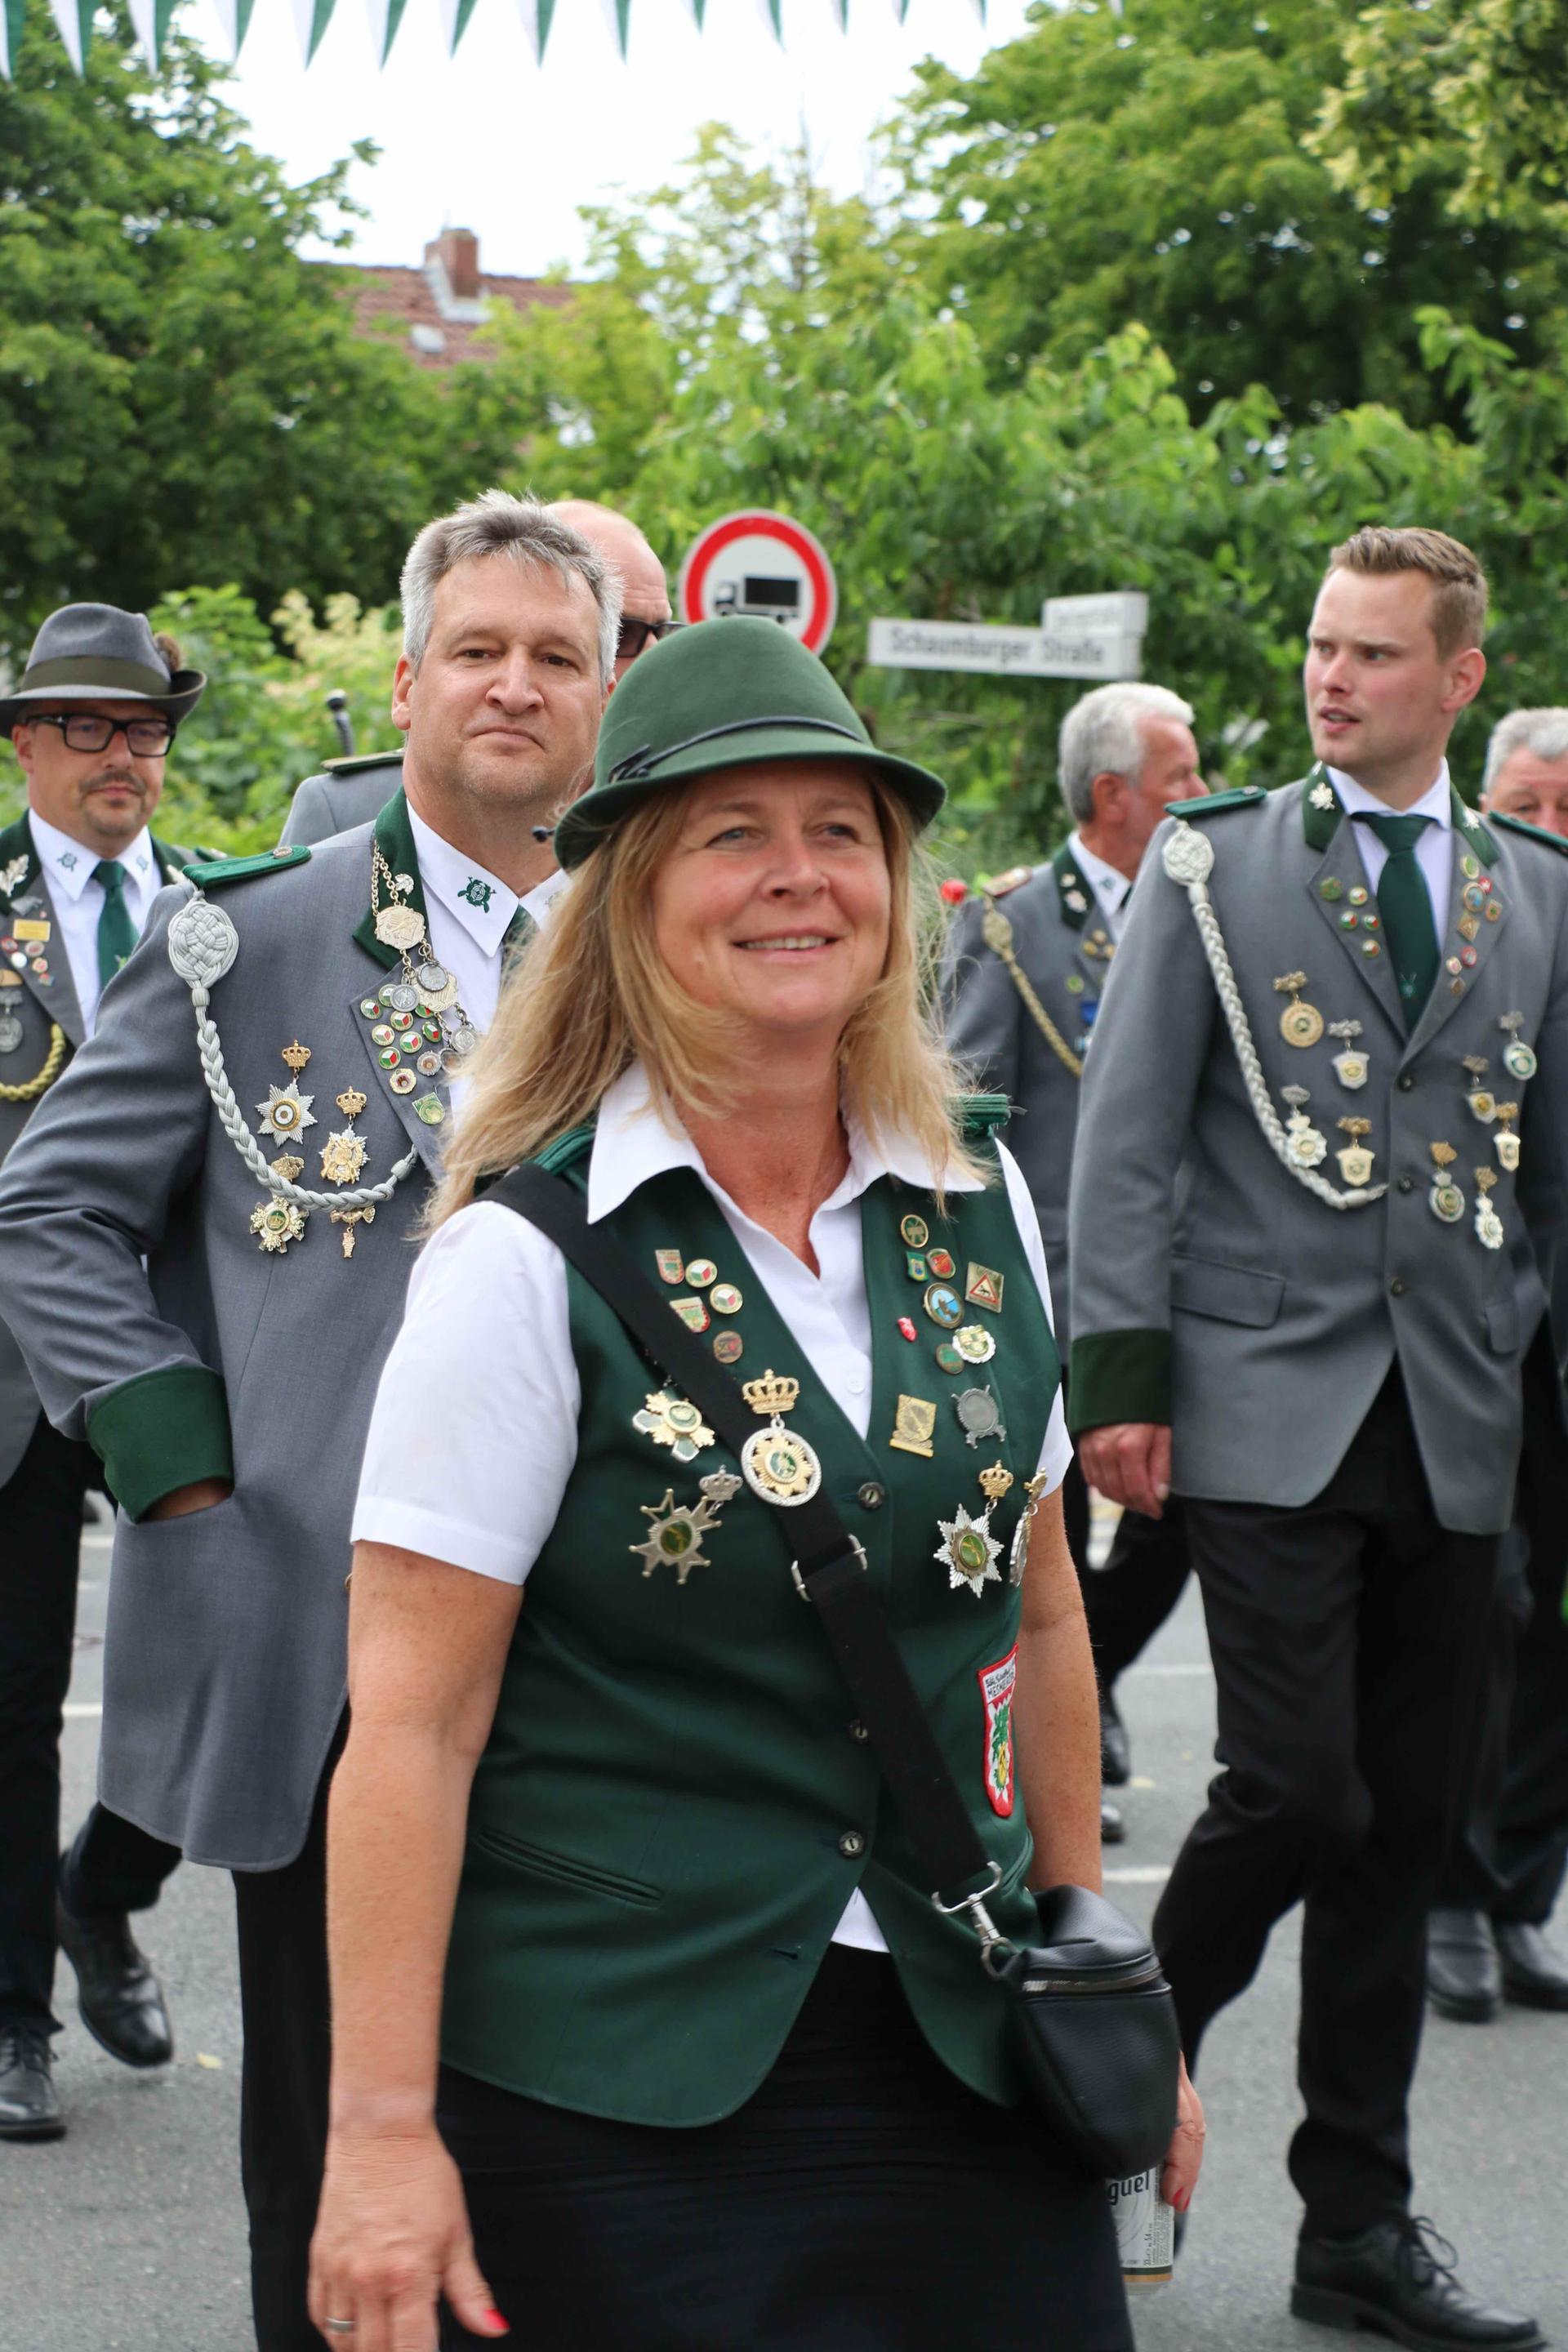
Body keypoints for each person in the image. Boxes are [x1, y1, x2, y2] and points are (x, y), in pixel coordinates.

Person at [308, 618, 1204, 2352]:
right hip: (616, 2082)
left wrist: (1110, 1965)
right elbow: (411, 1728)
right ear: (634, 896)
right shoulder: (521, 1260)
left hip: (972, 2046)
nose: (798, 879)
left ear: (894, 885)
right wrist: (379, 2133)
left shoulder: (978, 1201)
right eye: (735, 835)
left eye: (840, 834)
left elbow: (1039, 1603)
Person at [0, 497, 618, 2349]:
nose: (515, 683)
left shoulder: (653, 949)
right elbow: (50, 1211)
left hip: (619, 1626)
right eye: (481, 649)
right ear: (410, 679)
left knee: (583, 2151)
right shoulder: (246, 942)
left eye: (557, 654)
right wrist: (184, 1463)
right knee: (336, 2173)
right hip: (337, 1633)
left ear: (604, 695)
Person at [1069, 527, 1563, 2349]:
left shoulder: (1540, 891)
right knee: (1299, 1787)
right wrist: (1115, 1379)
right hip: (1261, 1402)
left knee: (1404, 1828)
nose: (1331, 677)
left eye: (1372, 653)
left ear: (1457, 679)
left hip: (1457, 1414)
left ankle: (1355, 2221)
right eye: (1318, 645)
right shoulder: (1210, 865)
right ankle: (1101, 2097)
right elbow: (1124, 1140)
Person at [0, 604, 212, 2142]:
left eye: (140, 729)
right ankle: (12, 2025)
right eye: (85, 726)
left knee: (216, 1653)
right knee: (11, 1701)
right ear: (23, 746)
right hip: (10, 1361)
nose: (119, 755)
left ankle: (103, 1892)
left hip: (169, 1355)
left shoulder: (218, 913)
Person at [942, 681, 1204, 1831]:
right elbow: (959, 1111)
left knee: (1176, 1515)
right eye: (1181, 778)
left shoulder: (1205, 909)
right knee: (1029, 1528)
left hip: (1170, 1285)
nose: (1201, 797)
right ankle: (1048, 1738)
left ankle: (1083, 1689)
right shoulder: (1011, 923)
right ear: (1114, 794)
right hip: (1040, 1282)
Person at [1426, 709, 1568, 2022]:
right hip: (1483, 1325)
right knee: (1497, 1616)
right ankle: (1456, 1896)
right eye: (1530, 804)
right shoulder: (1471, 914)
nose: (1549, 832)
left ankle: (1525, 1888)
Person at [278, 497, 673, 848]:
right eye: (626, 634)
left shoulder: (680, 811)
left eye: (555, 657)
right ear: (406, 688)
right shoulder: (345, 810)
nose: (515, 691)